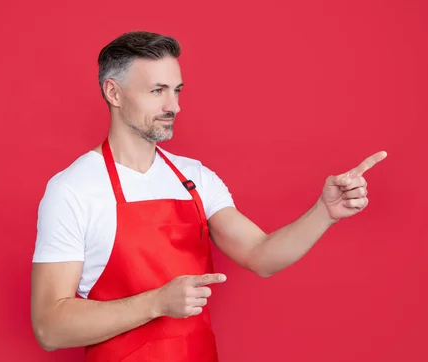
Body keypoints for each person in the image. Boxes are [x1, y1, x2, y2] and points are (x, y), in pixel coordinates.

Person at [30, 31, 387, 362]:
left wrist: (324, 211)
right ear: (114, 93)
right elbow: (50, 327)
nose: (175, 106)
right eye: (157, 91)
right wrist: (157, 302)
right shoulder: (73, 189)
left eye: (177, 90)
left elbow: (260, 255)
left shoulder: (194, 177)